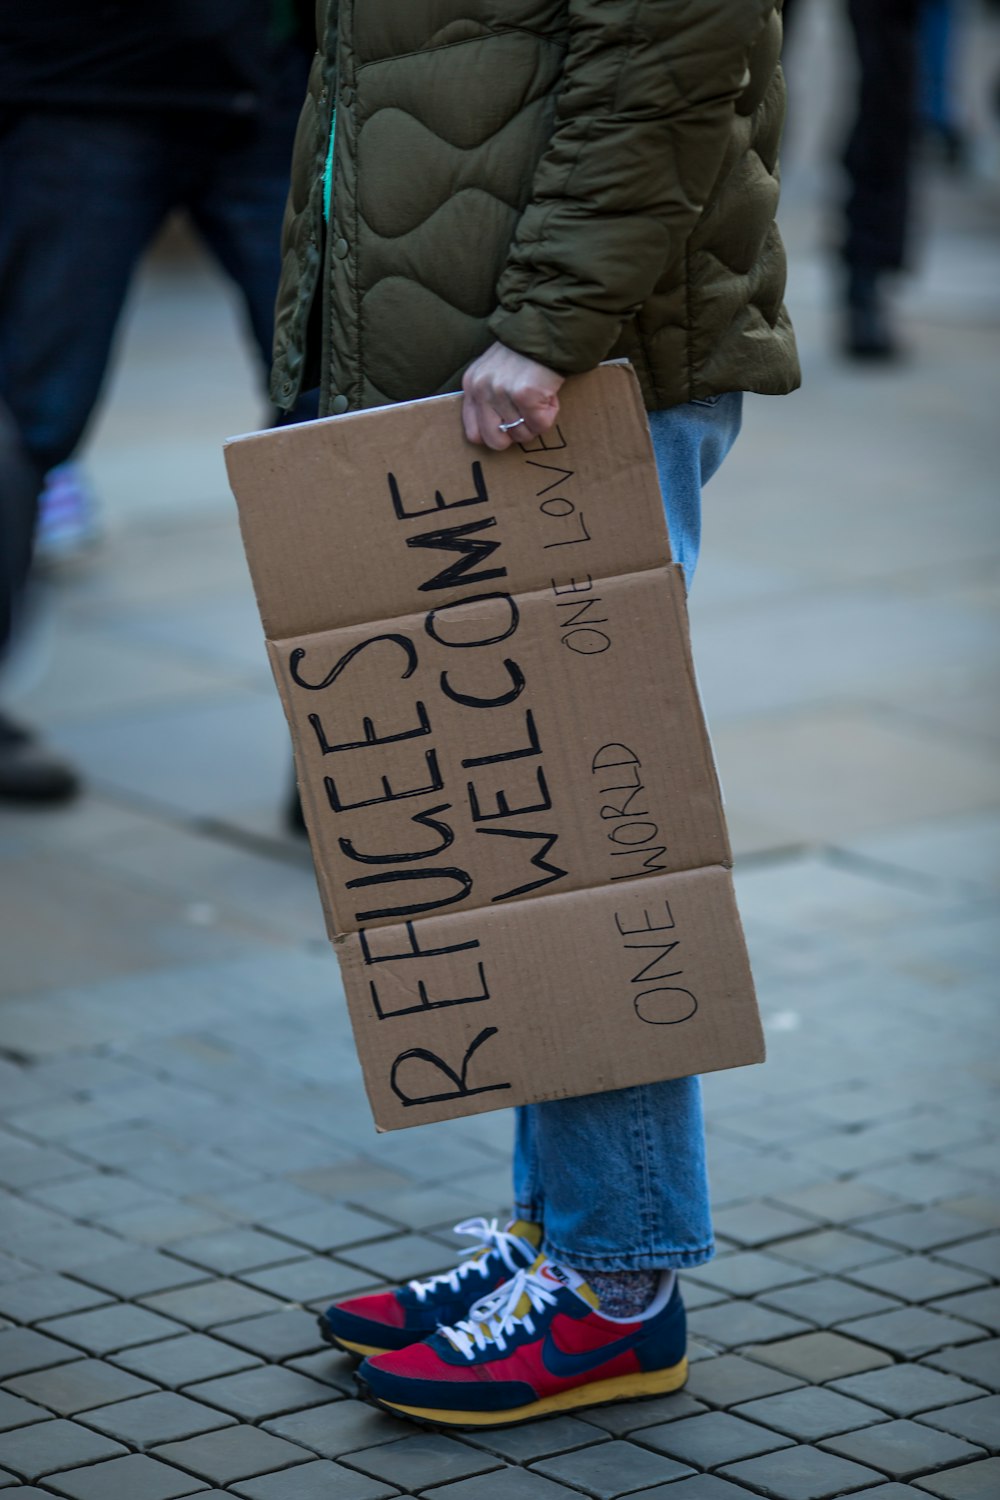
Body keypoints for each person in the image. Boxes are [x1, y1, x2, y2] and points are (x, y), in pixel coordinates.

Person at [272, 0, 800, 1427]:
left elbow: (670, 54)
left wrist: (546, 328)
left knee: (579, 824)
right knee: (524, 824)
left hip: (559, 373)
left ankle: (618, 1285)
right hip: (492, 361)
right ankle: (566, 1232)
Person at [0, 1, 316, 804]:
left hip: (275, 80)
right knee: (30, 414)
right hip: (86, 82)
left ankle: (356, 754)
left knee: (332, 412)